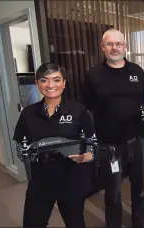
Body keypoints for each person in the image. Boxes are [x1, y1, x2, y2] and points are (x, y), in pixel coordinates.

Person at [83, 29, 144, 228]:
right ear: (103, 47)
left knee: (140, 187)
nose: (115, 48)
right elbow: (86, 110)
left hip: (138, 140)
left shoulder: (136, 71)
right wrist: (87, 140)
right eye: (109, 44)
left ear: (125, 47)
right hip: (108, 145)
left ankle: (141, 222)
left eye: (118, 44)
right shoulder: (93, 75)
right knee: (112, 192)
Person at [13, 63, 95, 228]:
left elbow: (93, 144)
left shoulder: (78, 111)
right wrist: (26, 154)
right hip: (41, 180)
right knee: (32, 223)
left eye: (56, 80)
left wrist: (88, 156)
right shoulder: (28, 113)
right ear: (37, 83)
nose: (51, 85)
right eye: (44, 80)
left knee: (75, 223)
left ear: (64, 83)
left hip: (71, 177)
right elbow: (20, 143)